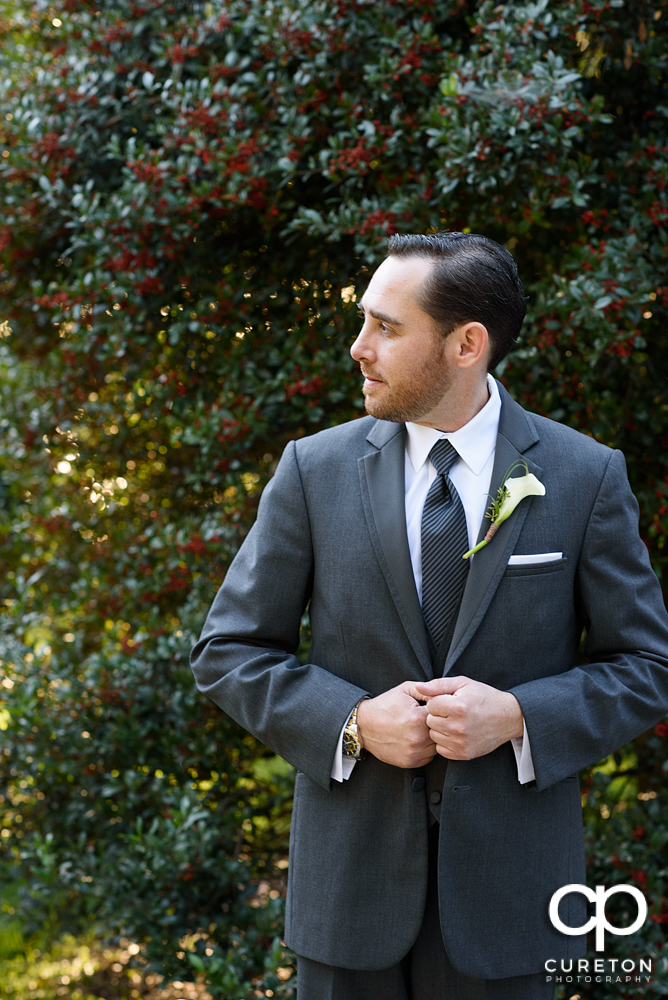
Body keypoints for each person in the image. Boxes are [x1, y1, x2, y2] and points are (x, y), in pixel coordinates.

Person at [190, 232, 668, 1000]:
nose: (359, 348)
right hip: (348, 904)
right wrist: (351, 720)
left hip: (515, 907)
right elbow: (230, 649)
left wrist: (518, 717)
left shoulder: (585, 476)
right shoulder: (314, 471)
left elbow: (647, 668)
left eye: (386, 326)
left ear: (466, 344)